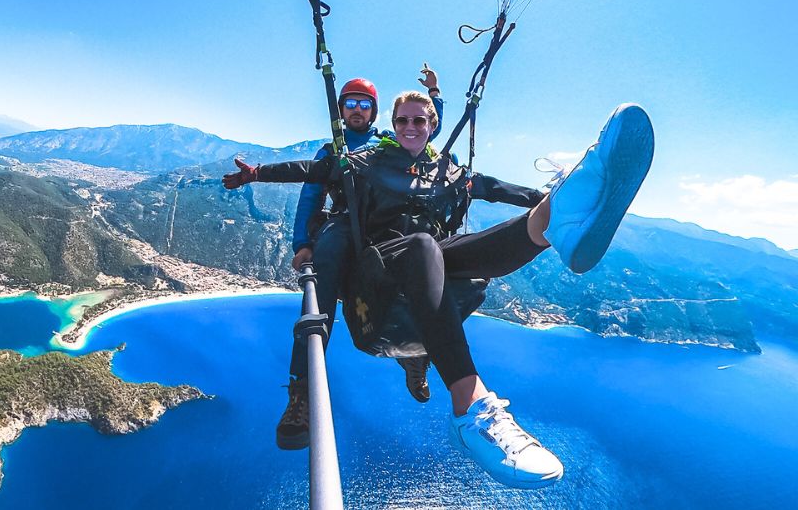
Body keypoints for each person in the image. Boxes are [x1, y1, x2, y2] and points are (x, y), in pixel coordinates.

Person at [223, 92, 655, 489]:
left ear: (432, 124)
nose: (411, 127)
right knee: (424, 246)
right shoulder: (365, 162)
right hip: (375, 283)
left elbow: (497, 189)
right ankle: (470, 407)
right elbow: (310, 171)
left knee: (472, 254)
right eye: (403, 121)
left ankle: (557, 218)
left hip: (424, 269)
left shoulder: (449, 172)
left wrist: (536, 196)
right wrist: (257, 174)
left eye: (420, 120)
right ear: (392, 125)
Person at [278, 66, 446, 450]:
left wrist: (434, 93)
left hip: (379, 225)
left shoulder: (388, 142)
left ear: (373, 111)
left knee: (418, 270)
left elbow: (424, 129)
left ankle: (415, 353)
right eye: (350, 104)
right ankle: (302, 390)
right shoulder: (331, 151)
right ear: (342, 110)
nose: (357, 110)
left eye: (364, 105)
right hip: (341, 226)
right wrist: (303, 244)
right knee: (320, 296)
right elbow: (310, 197)